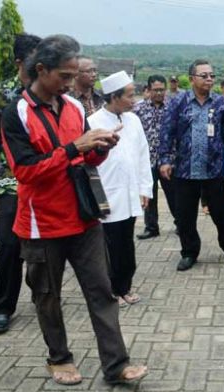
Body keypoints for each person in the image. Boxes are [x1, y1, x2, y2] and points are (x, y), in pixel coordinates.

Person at [0, 34, 147, 386]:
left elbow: (84, 157)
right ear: (41, 70)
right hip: (41, 224)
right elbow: (25, 171)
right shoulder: (16, 112)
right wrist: (73, 148)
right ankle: (59, 358)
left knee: (101, 291)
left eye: (73, 75)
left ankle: (116, 365)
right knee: (47, 297)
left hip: (83, 217)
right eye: (64, 76)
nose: (71, 83)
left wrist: (100, 146)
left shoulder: (73, 108)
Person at [0, 33, 40, 333]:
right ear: (20, 62)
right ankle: (3, 306)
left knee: (46, 245)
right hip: (10, 181)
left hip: (44, 179)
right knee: (8, 243)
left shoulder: (48, 94)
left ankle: (41, 286)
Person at [159, 59, 224, 271]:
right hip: (185, 171)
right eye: (204, 75)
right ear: (192, 78)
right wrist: (165, 160)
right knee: (185, 216)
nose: (209, 79)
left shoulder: (220, 102)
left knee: (222, 213)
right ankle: (189, 252)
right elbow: (167, 132)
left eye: (212, 75)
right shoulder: (178, 102)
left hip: (213, 170)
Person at [89, 71, 153, 307]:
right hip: (107, 195)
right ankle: (112, 290)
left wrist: (145, 188)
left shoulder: (133, 120)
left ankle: (124, 286)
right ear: (114, 97)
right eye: (129, 95)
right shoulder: (94, 123)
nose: (134, 99)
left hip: (130, 193)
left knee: (126, 243)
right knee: (108, 245)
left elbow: (142, 155)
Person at [134, 74, 178, 239]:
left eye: (161, 90)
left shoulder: (173, 107)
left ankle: (180, 223)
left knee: (173, 195)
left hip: (168, 160)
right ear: (148, 90)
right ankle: (151, 227)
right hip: (147, 160)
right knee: (149, 195)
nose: (159, 93)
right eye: (155, 90)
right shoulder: (139, 109)